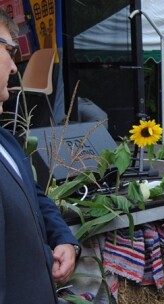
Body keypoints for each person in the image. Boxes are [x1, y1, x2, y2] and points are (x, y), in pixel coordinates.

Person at [0, 8, 80, 303]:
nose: (13, 68)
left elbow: (35, 197)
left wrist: (65, 240)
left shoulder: (7, 141)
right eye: (8, 50)